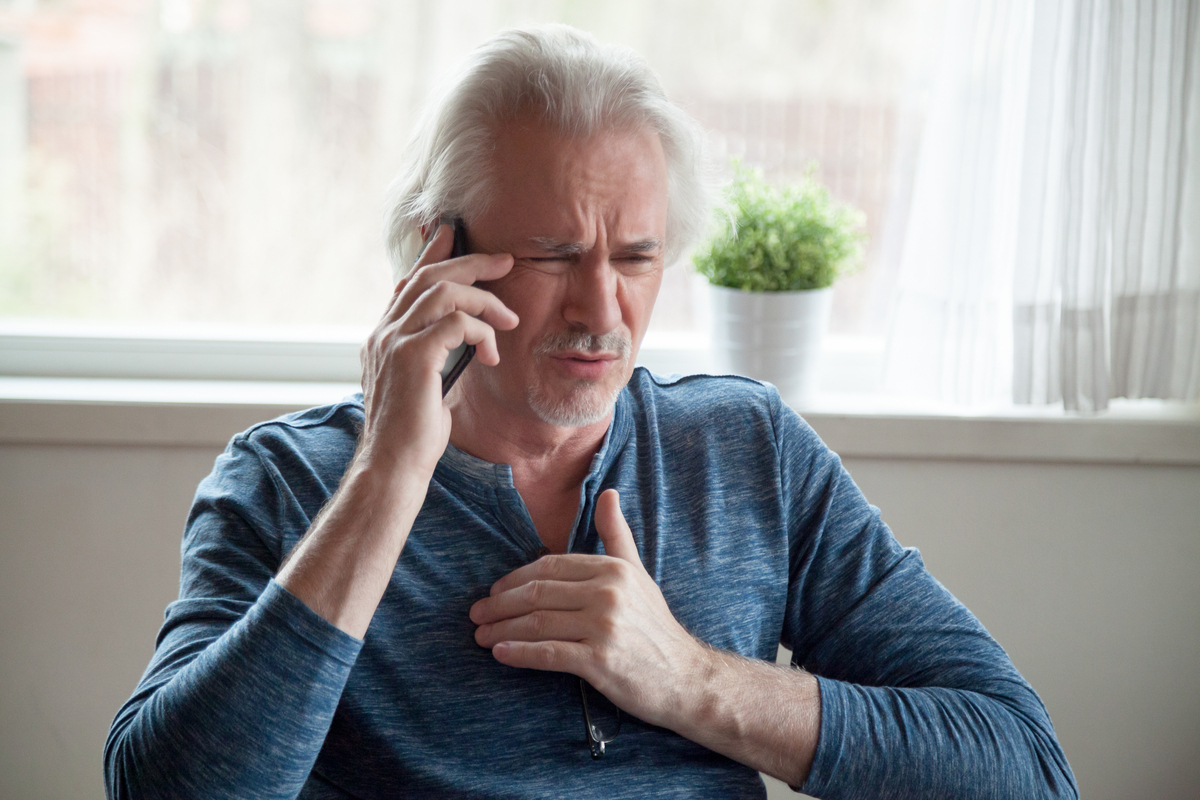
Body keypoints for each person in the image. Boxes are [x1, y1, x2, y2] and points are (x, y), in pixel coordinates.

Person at [104, 24, 1077, 800]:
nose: (601, 310)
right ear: (433, 254)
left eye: (636, 257)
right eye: (555, 253)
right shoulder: (285, 480)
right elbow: (164, 787)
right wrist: (388, 479)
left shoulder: (745, 448)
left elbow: (1023, 765)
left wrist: (692, 681)